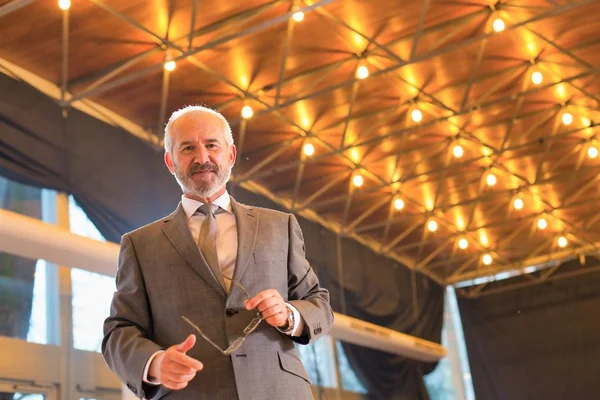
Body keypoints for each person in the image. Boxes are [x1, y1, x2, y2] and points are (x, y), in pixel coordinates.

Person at [102, 105, 334, 400]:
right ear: (170, 161)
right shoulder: (140, 244)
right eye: (187, 148)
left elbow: (319, 304)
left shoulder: (280, 226)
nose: (202, 158)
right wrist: (156, 363)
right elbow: (119, 331)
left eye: (212, 145)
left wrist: (289, 315)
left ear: (231, 155)